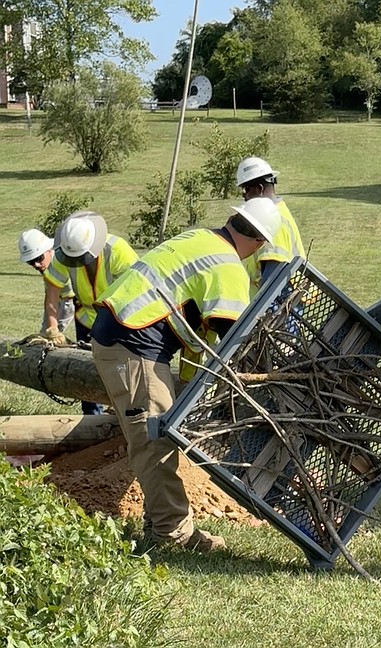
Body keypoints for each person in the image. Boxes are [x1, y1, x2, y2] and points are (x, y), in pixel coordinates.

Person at [90, 197, 282, 552]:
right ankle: (173, 534)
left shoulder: (200, 238)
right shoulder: (227, 266)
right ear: (258, 244)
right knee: (155, 441)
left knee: (150, 438)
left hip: (122, 339)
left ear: (233, 220)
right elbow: (236, 339)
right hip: (133, 347)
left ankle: (159, 523)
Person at [43, 211, 139, 415]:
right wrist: (52, 327)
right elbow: (52, 295)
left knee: (121, 373)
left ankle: (123, 416)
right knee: (85, 373)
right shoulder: (63, 253)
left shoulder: (117, 251)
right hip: (86, 320)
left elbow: (136, 294)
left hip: (121, 321)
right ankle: (92, 422)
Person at [236, 156, 305, 296]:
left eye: (246, 189)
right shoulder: (272, 214)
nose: (244, 195)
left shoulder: (273, 221)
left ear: (260, 188)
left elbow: (272, 281)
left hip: (284, 299)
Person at [17, 228, 75, 335]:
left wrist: (54, 328)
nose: (36, 265)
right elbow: (50, 298)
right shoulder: (47, 267)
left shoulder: (59, 262)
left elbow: (63, 303)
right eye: (31, 262)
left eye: (39, 258)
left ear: (49, 250)